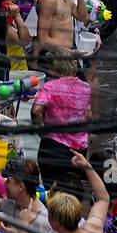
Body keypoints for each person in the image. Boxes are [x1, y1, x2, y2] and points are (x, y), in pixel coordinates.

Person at [32, 51, 93, 189]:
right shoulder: (86, 88)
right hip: (78, 150)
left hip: (53, 148)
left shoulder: (49, 87)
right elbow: (88, 115)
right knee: (72, 189)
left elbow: (36, 111)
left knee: (52, 192)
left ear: (54, 68)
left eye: (49, 67)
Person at [0, 158, 53, 233]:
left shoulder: (42, 221)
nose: (4, 183)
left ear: (21, 187)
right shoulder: (5, 205)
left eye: (8, 181)